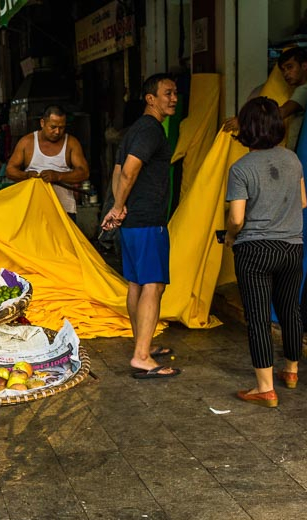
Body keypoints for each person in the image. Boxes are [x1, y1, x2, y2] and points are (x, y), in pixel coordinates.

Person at [225, 97, 306, 407]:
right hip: (292, 248)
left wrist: (231, 237)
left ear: (245, 129)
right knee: (290, 311)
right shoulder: (293, 159)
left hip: (255, 251)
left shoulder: (241, 168)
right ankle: (292, 371)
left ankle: (265, 389)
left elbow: (236, 219)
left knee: (259, 319)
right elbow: (302, 202)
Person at [101, 73, 181, 379]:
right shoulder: (150, 130)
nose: (173, 98)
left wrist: (118, 209)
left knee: (136, 283)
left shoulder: (135, 130)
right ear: (150, 98)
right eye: (167, 93)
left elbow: (118, 169)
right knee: (154, 285)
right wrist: (118, 206)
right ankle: (142, 356)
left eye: (175, 93)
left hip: (133, 221)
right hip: (147, 219)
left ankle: (141, 343)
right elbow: (130, 169)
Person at [6, 105, 90, 219]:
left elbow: (84, 172)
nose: (57, 132)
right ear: (42, 123)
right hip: (33, 211)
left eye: (62, 127)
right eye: (53, 127)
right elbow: (10, 170)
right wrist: (26, 175)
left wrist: (58, 176)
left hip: (64, 211)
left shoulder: (71, 143)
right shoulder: (27, 142)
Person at [224, 46, 307, 151]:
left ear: (304, 66)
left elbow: (281, 113)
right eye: (283, 70)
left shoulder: (305, 89)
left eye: (290, 67)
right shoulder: (303, 88)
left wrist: (244, 121)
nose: (286, 74)